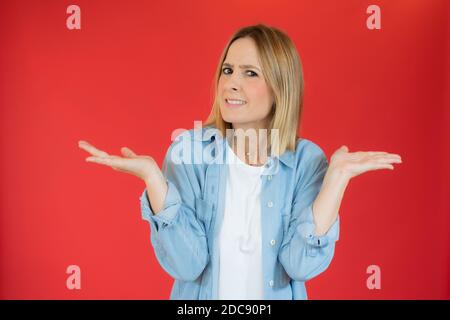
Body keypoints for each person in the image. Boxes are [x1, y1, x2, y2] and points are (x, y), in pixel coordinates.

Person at [78, 24, 402, 300]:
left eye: (250, 73)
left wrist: (337, 179)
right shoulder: (188, 151)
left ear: (280, 88)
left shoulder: (306, 161)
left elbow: (300, 265)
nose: (231, 82)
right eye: (228, 70)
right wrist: (154, 181)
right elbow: (186, 266)